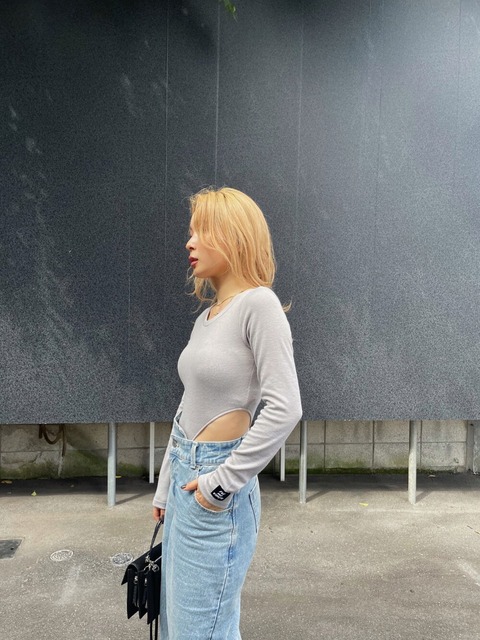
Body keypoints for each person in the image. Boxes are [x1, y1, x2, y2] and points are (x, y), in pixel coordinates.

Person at [152, 186, 302, 640]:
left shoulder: (259, 304)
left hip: (216, 489)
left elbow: (285, 407)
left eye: (202, 231)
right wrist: (165, 488)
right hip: (187, 480)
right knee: (181, 628)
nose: (189, 242)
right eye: (191, 231)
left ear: (235, 237)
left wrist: (219, 485)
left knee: (202, 631)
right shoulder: (206, 318)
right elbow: (188, 404)